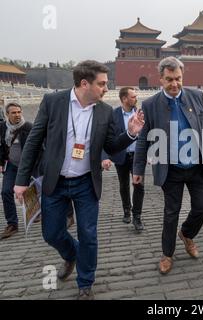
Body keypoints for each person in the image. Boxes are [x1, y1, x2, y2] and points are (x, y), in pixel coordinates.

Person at [14, 60, 145, 300]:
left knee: (88, 234)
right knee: (51, 233)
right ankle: (73, 254)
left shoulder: (105, 111)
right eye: (102, 83)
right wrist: (21, 180)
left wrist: (130, 133)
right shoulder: (54, 102)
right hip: (55, 181)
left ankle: (85, 282)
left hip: (86, 182)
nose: (107, 88)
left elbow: (111, 146)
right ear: (85, 83)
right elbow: (33, 141)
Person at [133, 57, 203, 275]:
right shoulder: (150, 105)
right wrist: (138, 170)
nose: (174, 84)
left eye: (178, 78)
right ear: (161, 79)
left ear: (182, 76)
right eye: (169, 79)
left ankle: (187, 234)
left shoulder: (196, 96)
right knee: (171, 213)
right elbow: (143, 140)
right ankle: (167, 254)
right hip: (170, 169)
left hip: (197, 166)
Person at [101, 87, 145, 231]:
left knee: (139, 185)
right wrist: (106, 157)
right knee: (123, 185)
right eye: (133, 96)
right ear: (124, 99)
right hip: (121, 156)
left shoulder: (141, 114)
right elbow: (107, 139)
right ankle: (127, 210)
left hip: (137, 157)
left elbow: (147, 135)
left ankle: (137, 216)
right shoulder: (113, 115)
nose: (136, 98)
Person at [0, 103, 33, 239]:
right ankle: (12, 223)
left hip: (28, 166)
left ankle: (38, 214)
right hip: (11, 166)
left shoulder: (28, 127)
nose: (17, 115)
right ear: (7, 115)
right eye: (13, 113)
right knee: (6, 191)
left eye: (19, 112)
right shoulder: (2, 128)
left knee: (33, 191)